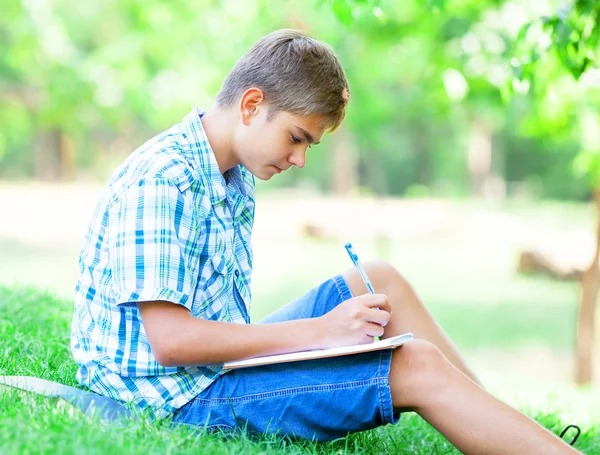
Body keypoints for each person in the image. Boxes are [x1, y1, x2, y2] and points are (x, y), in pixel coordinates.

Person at [71, 29, 579, 454]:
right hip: (174, 399)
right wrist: (320, 332)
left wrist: (317, 335)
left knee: (379, 279)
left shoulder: (230, 172)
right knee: (416, 362)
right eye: (296, 138)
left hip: (208, 371)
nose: (299, 160)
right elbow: (173, 342)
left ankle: (501, 427)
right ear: (251, 104)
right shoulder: (165, 180)